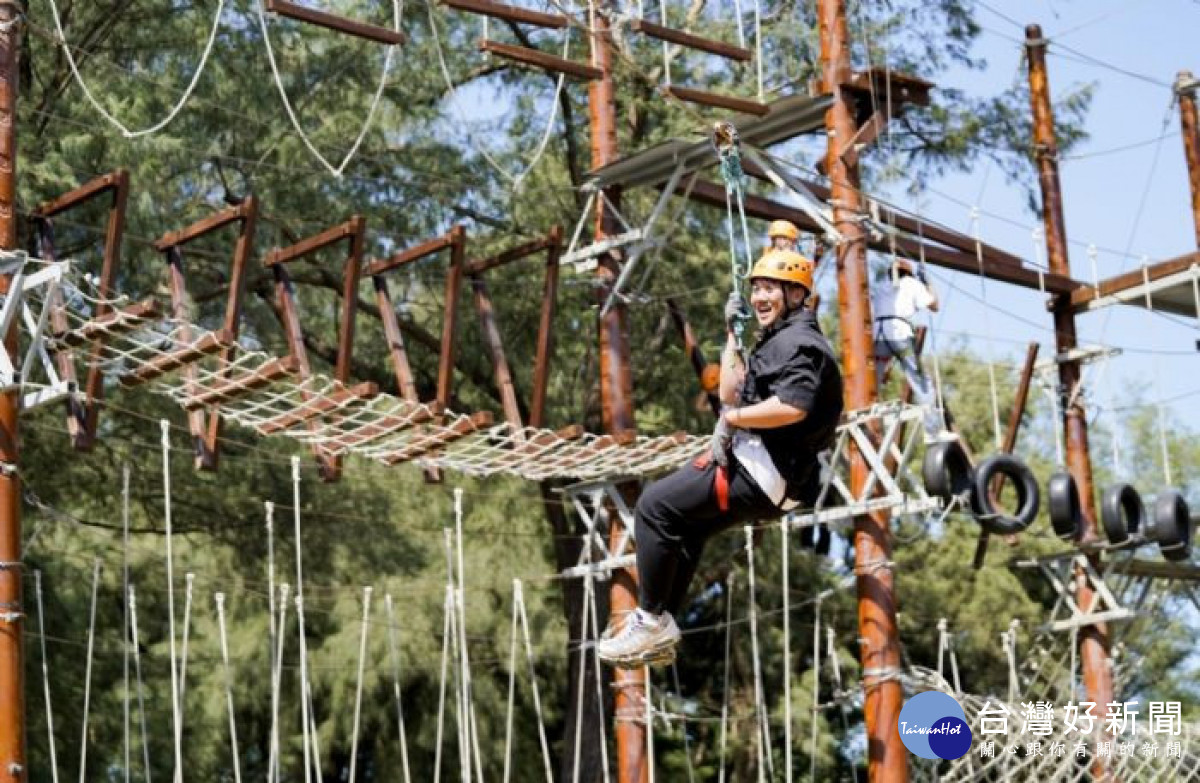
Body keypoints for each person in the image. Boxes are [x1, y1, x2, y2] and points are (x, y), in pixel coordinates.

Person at [597, 249, 844, 668]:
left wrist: (733, 421)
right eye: (757, 290)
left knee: (654, 507)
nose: (760, 297)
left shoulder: (802, 344)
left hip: (766, 469)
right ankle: (660, 627)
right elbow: (729, 390)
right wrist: (733, 335)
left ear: (797, 294)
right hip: (771, 477)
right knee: (683, 529)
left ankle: (648, 619)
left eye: (769, 289)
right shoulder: (777, 341)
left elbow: (793, 406)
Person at [872, 258, 945, 441]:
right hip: (900, 336)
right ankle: (933, 431)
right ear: (909, 273)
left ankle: (869, 424)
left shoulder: (881, 286)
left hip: (880, 336)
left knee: (873, 382)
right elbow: (934, 305)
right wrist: (927, 282)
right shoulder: (912, 283)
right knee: (922, 381)